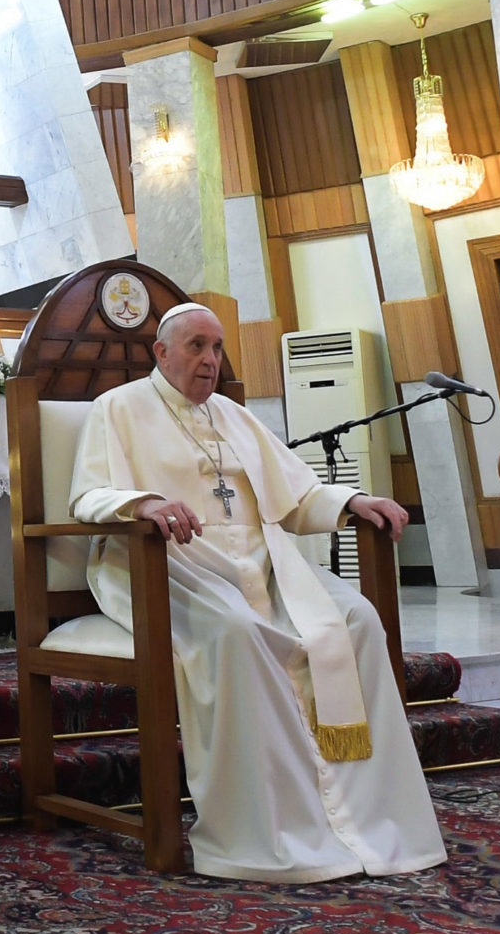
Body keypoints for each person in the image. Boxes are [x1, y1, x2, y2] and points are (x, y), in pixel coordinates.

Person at [64, 302, 445, 884]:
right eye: (196, 346)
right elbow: (89, 495)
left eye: (217, 348)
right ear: (161, 352)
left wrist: (352, 500)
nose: (210, 359)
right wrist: (144, 503)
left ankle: (374, 818)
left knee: (357, 619)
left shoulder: (234, 416)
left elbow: (297, 496)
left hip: (264, 564)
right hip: (170, 563)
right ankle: (268, 828)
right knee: (240, 633)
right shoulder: (117, 408)